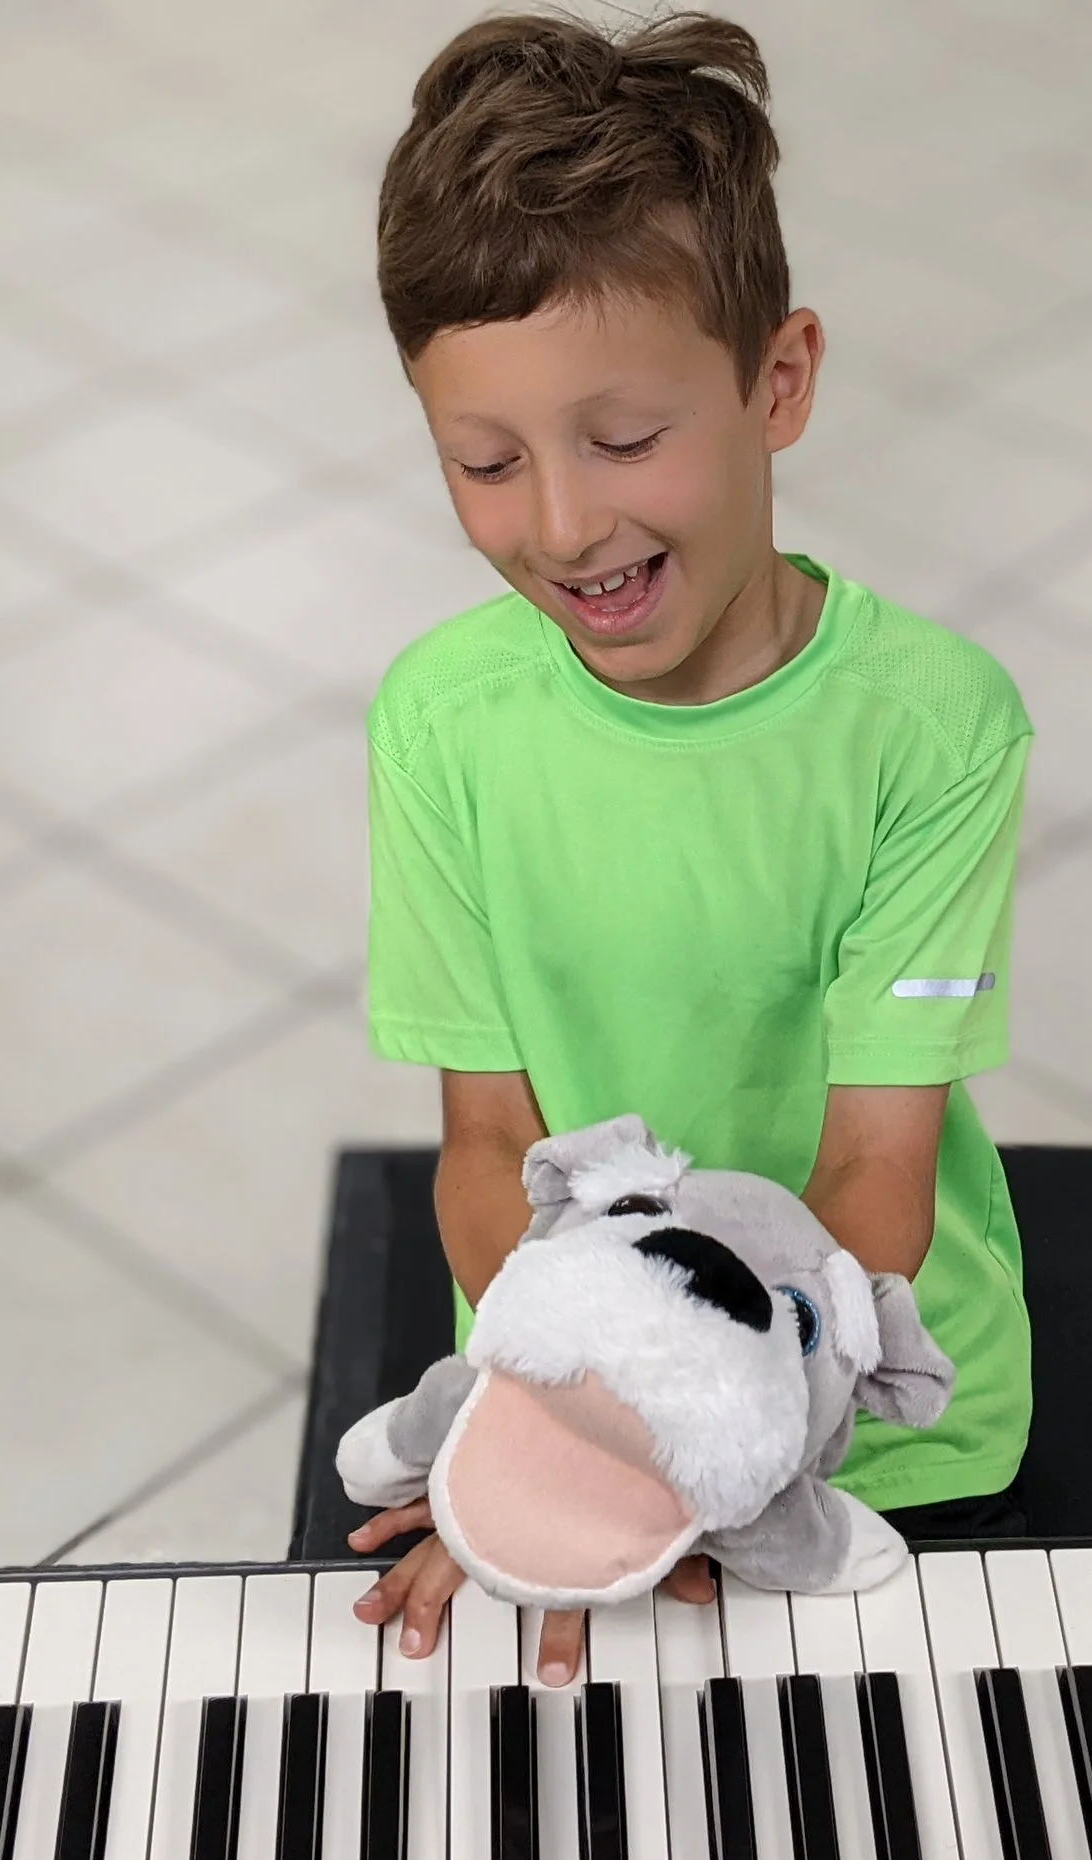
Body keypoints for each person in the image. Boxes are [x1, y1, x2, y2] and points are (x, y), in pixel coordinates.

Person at [346, 7, 1033, 1685]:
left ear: (777, 382)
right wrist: (561, 1450)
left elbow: (874, 1173)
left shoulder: (937, 729)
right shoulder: (440, 723)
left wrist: (684, 1465)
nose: (563, 524)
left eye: (626, 440)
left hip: (864, 1418)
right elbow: (487, 1139)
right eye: (485, 461)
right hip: (562, 1392)